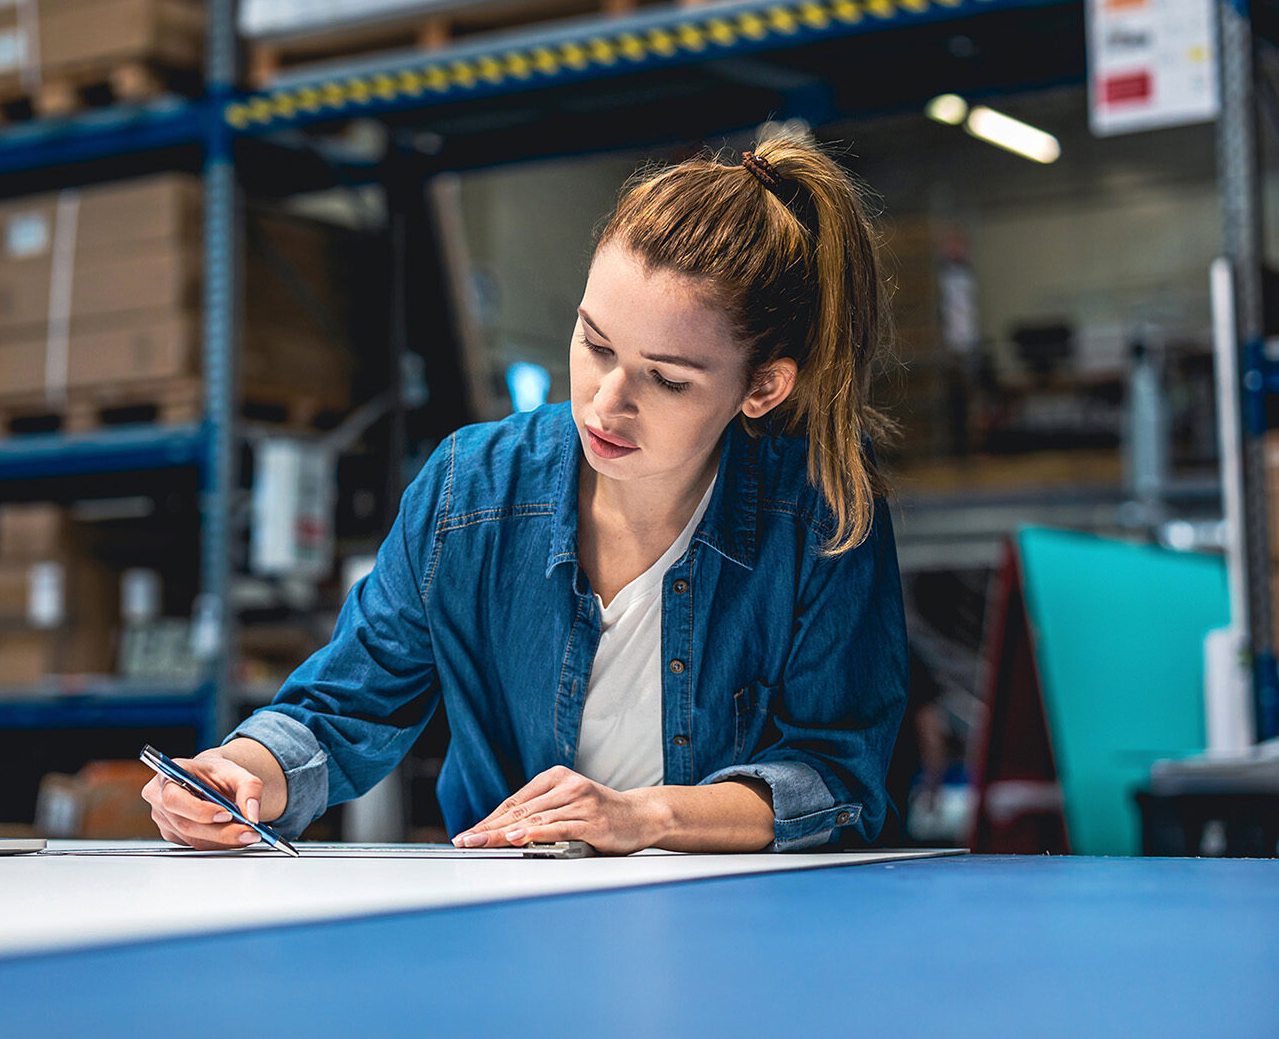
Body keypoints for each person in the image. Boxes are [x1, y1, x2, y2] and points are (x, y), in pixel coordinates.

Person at [145, 122, 909, 854]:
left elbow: (835, 774)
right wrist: (240, 771)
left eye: (667, 379)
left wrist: (641, 815)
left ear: (763, 387)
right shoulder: (467, 488)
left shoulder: (821, 514)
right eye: (594, 342)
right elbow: (345, 703)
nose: (605, 401)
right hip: (509, 914)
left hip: (736, 929)